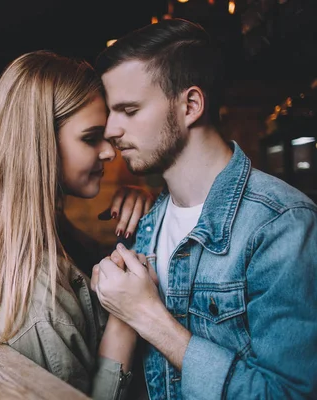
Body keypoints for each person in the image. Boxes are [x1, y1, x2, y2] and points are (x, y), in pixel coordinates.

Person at [91, 18, 317, 399]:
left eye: (128, 110)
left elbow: (289, 394)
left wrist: (148, 317)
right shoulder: (147, 221)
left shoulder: (281, 224)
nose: (111, 129)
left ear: (191, 105)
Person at [0, 50, 153, 399]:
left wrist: (147, 218)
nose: (110, 152)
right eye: (90, 137)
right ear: (41, 143)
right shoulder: (40, 299)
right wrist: (126, 321)